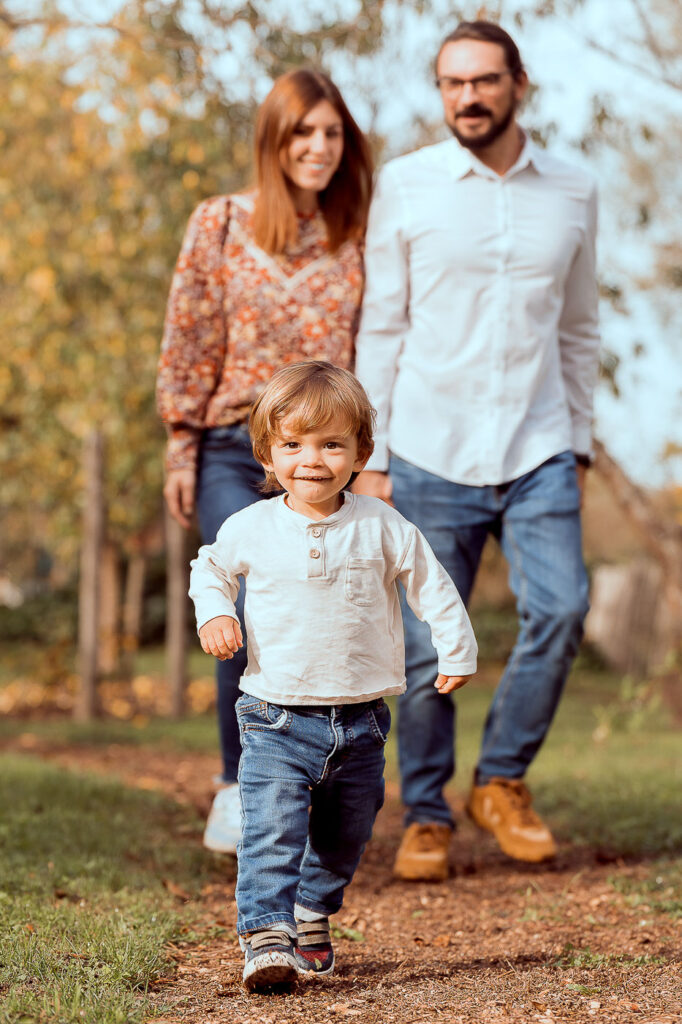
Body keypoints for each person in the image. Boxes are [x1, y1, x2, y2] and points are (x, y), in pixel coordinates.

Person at [354, 20, 599, 879]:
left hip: (538, 446)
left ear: (517, 84)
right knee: (427, 648)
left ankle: (499, 780)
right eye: (452, 83)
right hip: (426, 447)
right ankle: (425, 812)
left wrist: (579, 442)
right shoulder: (408, 185)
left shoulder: (573, 189)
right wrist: (371, 458)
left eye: (484, 80)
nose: (468, 97)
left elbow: (577, 329)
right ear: (441, 90)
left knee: (564, 606)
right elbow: (382, 324)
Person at [188, 361, 477, 991]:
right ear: (267, 453)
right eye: (292, 445)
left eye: (330, 444)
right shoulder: (252, 526)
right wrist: (214, 613)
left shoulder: (380, 524)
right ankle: (265, 936)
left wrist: (455, 649)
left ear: (360, 452)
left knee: (347, 832)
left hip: (362, 718)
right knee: (270, 828)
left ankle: (312, 908)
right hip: (273, 715)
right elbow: (210, 569)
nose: (311, 460)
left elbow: (430, 584)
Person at [156, 69, 373, 855]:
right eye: (302, 132)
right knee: (246, 593)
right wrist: (181, 447)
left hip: (320, 451)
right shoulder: (219, 223)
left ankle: (315, 788)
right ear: (273, 141)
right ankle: (235, 782)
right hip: (227, 444)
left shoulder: (356, 235)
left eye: (331, 133)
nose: (318, 148)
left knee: (323, 604)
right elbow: (189, 340)